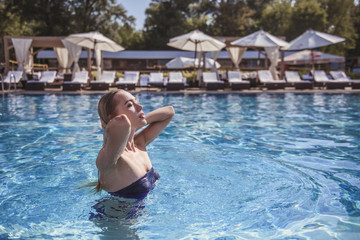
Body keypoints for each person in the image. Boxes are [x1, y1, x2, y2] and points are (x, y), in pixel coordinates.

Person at [95, 89, 174, 200]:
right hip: (111, 217)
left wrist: (138, 122)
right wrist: (127, 124)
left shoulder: (139, 144)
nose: (140, 107)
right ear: (112, 118)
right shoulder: (110, 159)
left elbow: (169, 112)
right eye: (130, 105)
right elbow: (122, 121)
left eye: (136, 101)